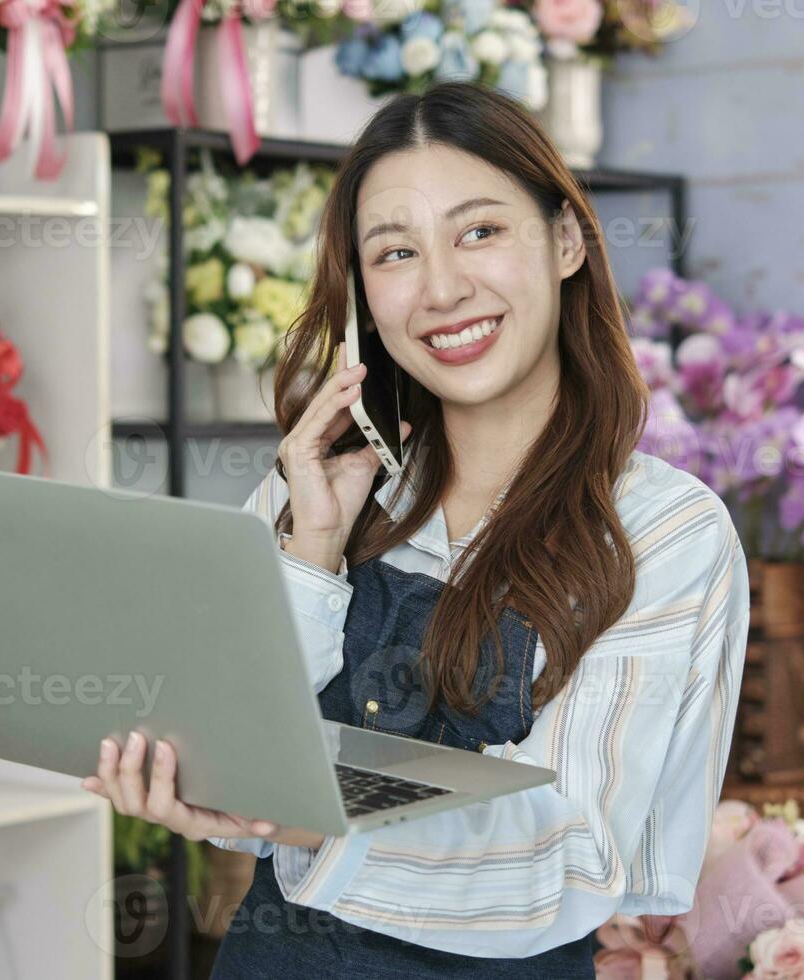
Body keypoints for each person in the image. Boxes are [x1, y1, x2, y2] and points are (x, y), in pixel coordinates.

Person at [81, 80, 750, 978]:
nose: (440, 289)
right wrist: (311, 551)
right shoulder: (318, 493)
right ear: (362, 291)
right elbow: (230, 732)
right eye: (395, 252)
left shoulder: (662, 532)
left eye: (480, 231)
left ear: (564, 240)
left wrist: (307, 817)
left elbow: (580, 855)